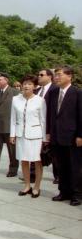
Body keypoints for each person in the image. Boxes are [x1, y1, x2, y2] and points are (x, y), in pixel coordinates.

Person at [47, 66, 82, 206]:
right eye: (56, 75)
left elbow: (81, 116)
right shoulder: (54, 92)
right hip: (57, 136)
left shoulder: (77, 93)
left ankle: (77, 194)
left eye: (60, 75)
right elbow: (50, 114)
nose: (57, 77)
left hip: (73, 137)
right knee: (61, 166)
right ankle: (64, 191)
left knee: (75, 166)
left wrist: (80, 135)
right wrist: (48, 132)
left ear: (69, 76)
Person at [10, 75, 47, 198]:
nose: (26, 86)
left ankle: (36, 187)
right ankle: (27, 185)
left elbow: (43, 120)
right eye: (25, 83)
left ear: (35, 86)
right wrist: (12, 134)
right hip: (21, 134)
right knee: (24, 160)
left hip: (36, 135)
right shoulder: (15, 99)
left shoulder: (40, 100)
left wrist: (44, 138)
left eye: (29, 84)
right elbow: (13, 119)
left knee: (37, 161)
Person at [0, 72, 20, 177]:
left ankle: (13, 169)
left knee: (12, 150)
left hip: (9, 126)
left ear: (6, 80)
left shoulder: (15, 92)